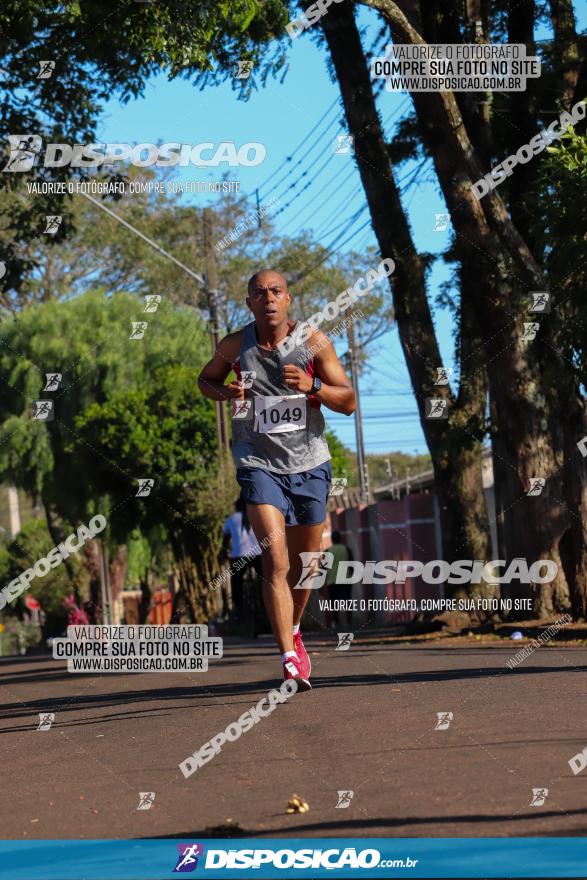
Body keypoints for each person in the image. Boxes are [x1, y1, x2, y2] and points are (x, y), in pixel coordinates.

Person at [198, 269, 356, 691]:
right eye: (258, 293)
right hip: (257, 461)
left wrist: (313, 385)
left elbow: (349, 401)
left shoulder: (313, 341)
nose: (268, 298)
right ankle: (288, 657)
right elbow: (205, 380)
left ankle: (296, 626)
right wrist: (224, 394)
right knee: (277, 559)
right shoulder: (235, 345)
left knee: (307, 566)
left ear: (288, 299)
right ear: (248, 303)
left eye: (275, 291)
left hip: (309, 463)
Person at [221, 498, 262, 621]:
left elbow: (225, 541)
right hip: (258, 556)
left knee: (236, 581)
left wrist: (223, 553)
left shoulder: (231, 520)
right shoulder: (258, 515)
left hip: (239, 557)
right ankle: (265, 604)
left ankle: (238, 609)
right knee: (266, 580)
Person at [325, 530, 354, 630]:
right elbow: (352, 565)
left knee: (334, 603)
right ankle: (348, 621)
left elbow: (323, 568)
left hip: (332, 581)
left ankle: (335, 622)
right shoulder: (346, 549)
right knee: (347, 600)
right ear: (340, 539)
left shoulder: (328, 551)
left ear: (332, 539)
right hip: (346, 579)